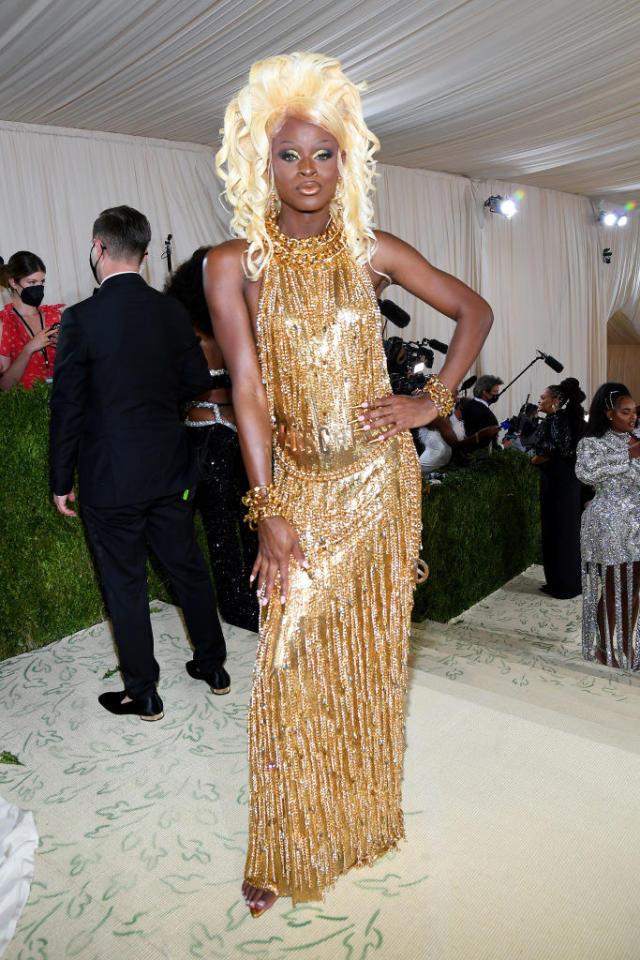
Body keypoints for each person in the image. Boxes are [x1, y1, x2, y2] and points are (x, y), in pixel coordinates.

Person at [205, 52, 493, 915]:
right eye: (288, 155)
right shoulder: (232, 265)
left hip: (378, 488)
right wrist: (266, 512)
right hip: (297, 485)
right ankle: (279, 842)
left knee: (366, 662)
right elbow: (248, 392)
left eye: (324, 154)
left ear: (348, 161)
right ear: (262, 160)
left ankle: (358, 819)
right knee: (288, 667)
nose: (307, 173)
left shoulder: (373, 251)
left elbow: (472, 310)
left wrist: (432, 401)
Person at [49, 206, 229, 721]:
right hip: (170, 469)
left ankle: (143, 693)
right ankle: (214, 667)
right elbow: (197, 380)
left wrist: (61, 480)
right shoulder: (172, 312)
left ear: (97, 248)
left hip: (110, 478)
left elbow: (68, 407)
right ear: (146, 255)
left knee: (125, 585)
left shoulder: (81, 319)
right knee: (189, 571)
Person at [164, 248, 259, 632]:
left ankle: (238, 607)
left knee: (222, 529)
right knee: (251, 520)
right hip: (243, 434)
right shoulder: (241, 324)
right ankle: (259, 602)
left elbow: (174, 386)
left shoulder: (188, 332)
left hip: (207, 432)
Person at [575, 383, 640, 668]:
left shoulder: (635, 440)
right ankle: (605, 647)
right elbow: (586, 474)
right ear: (609, 413)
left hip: (637, 523)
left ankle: (627, 644)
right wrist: (628, 455)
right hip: (610, 522)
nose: (632, 417)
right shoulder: (592, 443)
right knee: (614, 589)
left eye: (634, 412)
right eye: (625, 412)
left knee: (635, 588)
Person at [531, 376, 586, 599]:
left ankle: (564, 586)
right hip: (565, 483)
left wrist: (534, 460)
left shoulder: (556, 421)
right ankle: (561, 582)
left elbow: (555, 450)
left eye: (543, 398)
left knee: (559, 533)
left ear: (556, 401)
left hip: (559, 484)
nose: (539, 400)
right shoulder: (564, 419)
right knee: (563, 533)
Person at [0, 251, 63, 390]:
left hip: (62, 401)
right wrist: (29, 349)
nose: (39, 287)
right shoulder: (4, 324)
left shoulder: (55, 316)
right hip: (26, 408)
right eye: (32, 282)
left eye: (42, 281)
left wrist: (65, 346)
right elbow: (4, 386)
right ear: (13, 283)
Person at [458, 374, 503, 445]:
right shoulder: (488, 416)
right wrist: (503, 446)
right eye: (495, 392)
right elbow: (489, 445)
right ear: (484, 392)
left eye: (497, 392)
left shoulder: (467, 405)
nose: (497, 395)